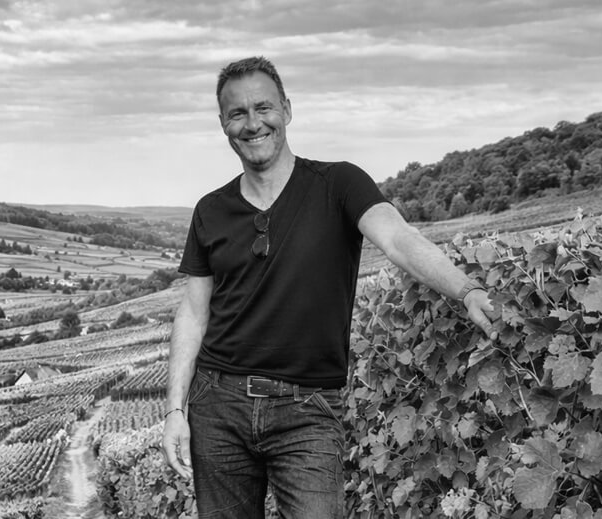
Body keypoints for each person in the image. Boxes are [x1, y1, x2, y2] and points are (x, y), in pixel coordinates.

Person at [161, 56, 501, 518]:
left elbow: (399, 238)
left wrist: (466, 290)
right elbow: (194, 312)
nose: (252, 123)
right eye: (237, 113)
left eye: (263, 107)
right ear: (222, 123)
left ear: (287, 109)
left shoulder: (338, 183)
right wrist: (175, 411)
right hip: (217, 404)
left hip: (308, 410)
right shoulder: (210, 210)